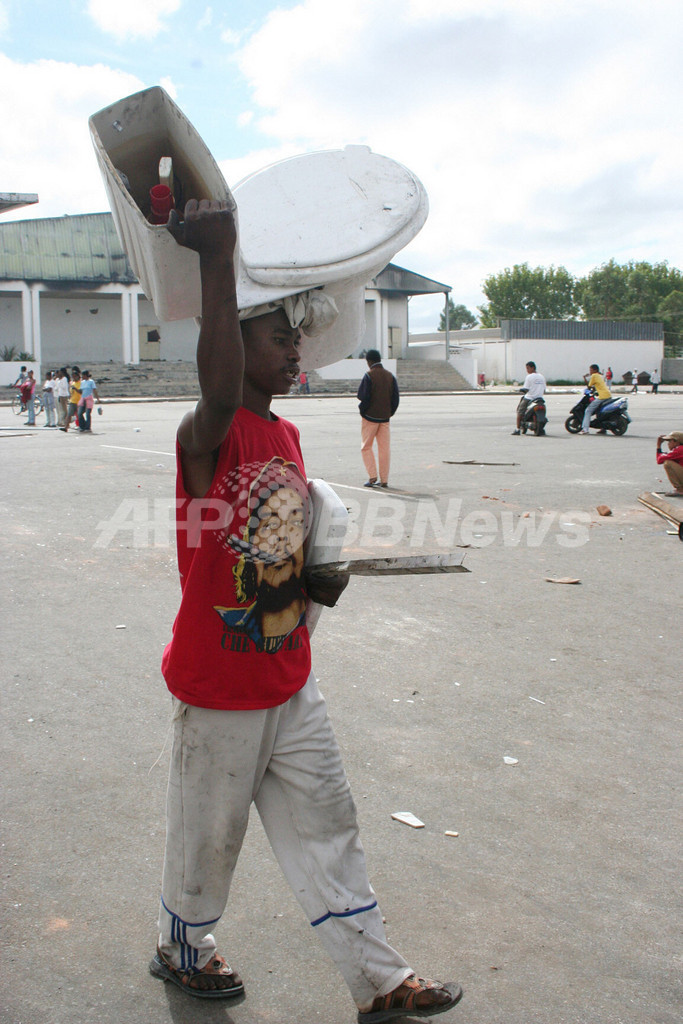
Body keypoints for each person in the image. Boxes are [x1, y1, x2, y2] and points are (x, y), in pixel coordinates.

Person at [149, 199, 462, 1022]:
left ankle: (381, 980)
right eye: (277, 337)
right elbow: (215, 386)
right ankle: (182, 949)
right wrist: (216, 259)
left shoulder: (284, 437)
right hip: (219, 684)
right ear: (234, 341)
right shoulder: (205, 435)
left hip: (289, 677)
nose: (295, 352)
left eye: (297, 339)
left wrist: (318, 574)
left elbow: (291, 537)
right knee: (207, 841)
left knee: (330, 827)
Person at [357, 349, 400, 487]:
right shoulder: (390, 376)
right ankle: (384, 479)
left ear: (369, 361)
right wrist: (389, 413)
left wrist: (363, 411)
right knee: (384, 449)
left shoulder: (369, 375)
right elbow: (395, 399)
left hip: (370, 417)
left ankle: (372, 476)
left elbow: (363, 396)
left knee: (366, 447)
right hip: (385, 418)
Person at [512, 360, 546, 434]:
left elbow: (526, 389)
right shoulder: (542, 376)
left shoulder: (529, 377)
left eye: (528, 368)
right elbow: (544, 390)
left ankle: (517, 429)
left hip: (529, 398)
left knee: (520, 411)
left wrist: (521, 390)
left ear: (533, 368)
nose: (527, 370)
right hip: (540, 399)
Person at [581, 363, 612, 434]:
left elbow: (589, 386)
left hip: (602, 396)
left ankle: (585, 429)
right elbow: (598, 386)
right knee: (600, 411)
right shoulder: (600, 375)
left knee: (588, 411)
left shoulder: (594, 376)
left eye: (591, 370)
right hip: (608, 395)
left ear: (595, 370)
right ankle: (603, 428)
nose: (590, 372)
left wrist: (584, 378)